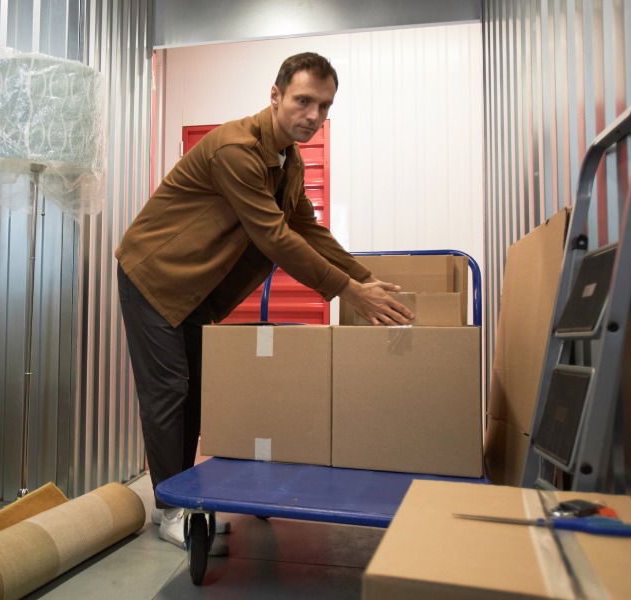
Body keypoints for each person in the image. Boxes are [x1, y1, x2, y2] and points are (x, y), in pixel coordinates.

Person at [114, 52, 414, 551]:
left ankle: (183, 499)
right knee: (169, 392)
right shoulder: (236, 148)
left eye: (324, 106)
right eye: (303, 101)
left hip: (195, 286)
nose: (313, 115)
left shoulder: (288, 161)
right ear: (275, 96)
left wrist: (365, 279)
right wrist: (347, 290)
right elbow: (274, 237)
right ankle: (169, 510)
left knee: (193, 391)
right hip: (154, 275)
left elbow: (307, 228)